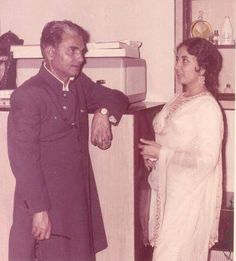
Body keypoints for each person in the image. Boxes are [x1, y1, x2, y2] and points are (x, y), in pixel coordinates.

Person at [7, 20, 128, 261]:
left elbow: (117, 98)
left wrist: (103, 114)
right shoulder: (29, 95)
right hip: (44, 205)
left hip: (75, 206)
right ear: (50, 52)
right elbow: (24, 161)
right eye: (72, 50)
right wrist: (39, 210)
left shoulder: (79, 84)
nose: (80, 58)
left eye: (81, 51)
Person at [138, 37, 224, 261]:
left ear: (202, 67)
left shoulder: (208, 108)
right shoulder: (179, 97)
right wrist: (154, 158)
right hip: (168, 192)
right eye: (177, 60)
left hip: (188, 199)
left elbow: (208, 160)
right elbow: (174, 141)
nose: (177, 66)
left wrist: (162, 153)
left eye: (184, 61)